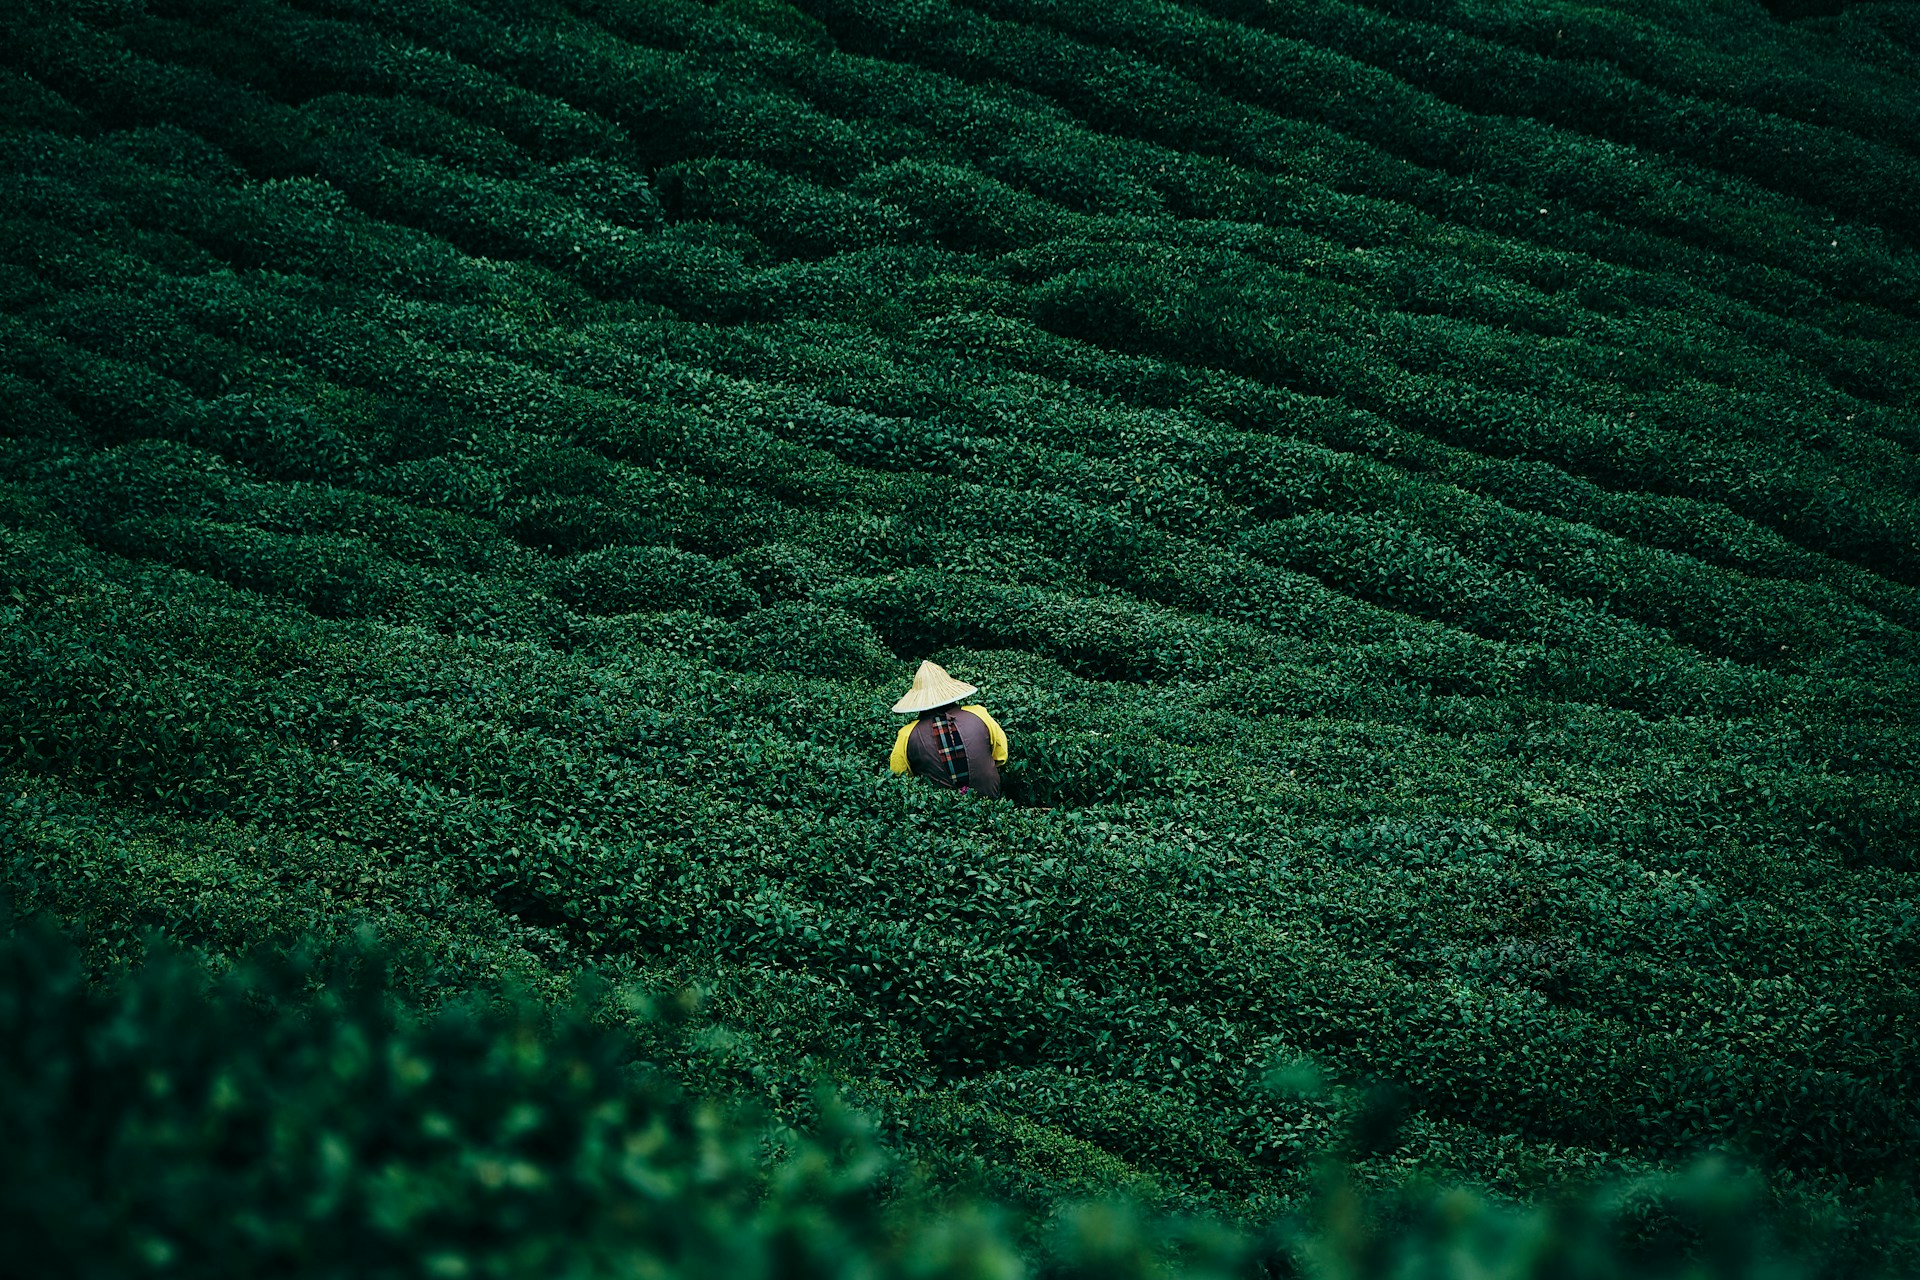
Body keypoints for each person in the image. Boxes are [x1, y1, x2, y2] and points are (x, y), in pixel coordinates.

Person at [887, 660, 1009, 799]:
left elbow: (899, 776)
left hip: (942, 814)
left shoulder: (907, 734)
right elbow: (1001, 756)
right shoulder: (979, 714)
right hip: (990, 800)